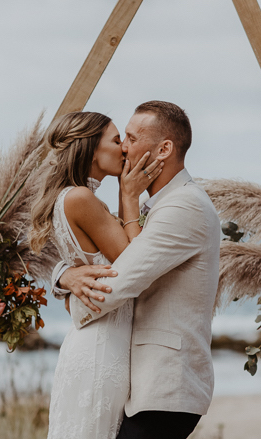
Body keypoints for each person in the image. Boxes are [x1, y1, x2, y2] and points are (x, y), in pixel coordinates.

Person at [54, 101, 221, 439]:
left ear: (164, 149)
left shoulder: (183, 206)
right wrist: (63, 276)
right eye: (121, 139)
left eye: (130, 137)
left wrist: (72, 300)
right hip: (142, 382)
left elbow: (119, 281)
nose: (125, 147)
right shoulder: (157, 206)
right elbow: (102, 255)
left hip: (166, 384)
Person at [29, 111, 164, 439]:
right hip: (99, 350)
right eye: (117, 140)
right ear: (91, 149)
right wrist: (130, 195)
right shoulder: (80, 198)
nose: (124, 150)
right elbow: (131, 260)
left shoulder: (79, 198)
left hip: (102, 343)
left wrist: (63, 276)